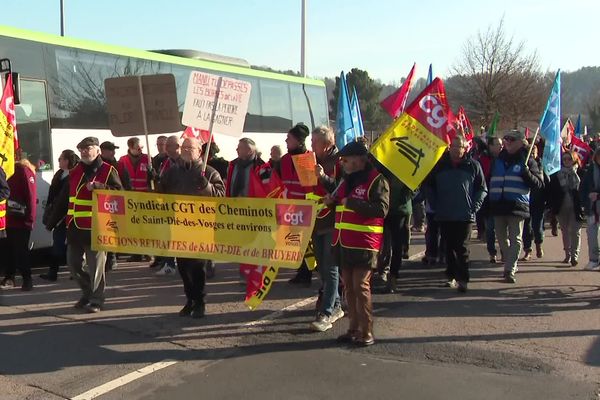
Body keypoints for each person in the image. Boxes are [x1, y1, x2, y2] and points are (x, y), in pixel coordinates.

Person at [324, 140, 389, 347]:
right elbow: (341, 206)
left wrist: (350, 203)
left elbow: (381, 209)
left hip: (364, 243)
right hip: (343, 241)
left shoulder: (376, 180)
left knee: (361, 286)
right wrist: (331, 202)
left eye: (346, 160)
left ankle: (367, 330)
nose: (342, 163)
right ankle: (353, 328)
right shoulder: (346, 180)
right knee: (349, 288)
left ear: (360, 160)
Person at [46, 137, 123, 312]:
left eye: (88, 148)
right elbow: (64, 199)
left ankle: (97, 300)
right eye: (81, 149)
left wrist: (100, 187)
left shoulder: (108, 170)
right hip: (74, 228)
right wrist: (51, 222)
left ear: (97, 150)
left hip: (97, 228)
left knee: (96, 268)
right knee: (73, 265)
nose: (84, 152)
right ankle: (88, 292)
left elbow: (120, 194)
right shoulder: (75, 171)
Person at [159, 137, 225, 318]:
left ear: (199, 151)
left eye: (191, 147)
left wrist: (206, 186)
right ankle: (189, 300)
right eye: (184, 147)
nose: (187, 150)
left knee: (197, 267)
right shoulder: (172, 172)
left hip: (200, 227)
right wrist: (155, 181)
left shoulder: (210, 172)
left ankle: (200, 302)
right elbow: (161, 194)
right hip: (179, 226)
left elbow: (220, 196)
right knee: (183, 267)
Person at [426, 135, 487, 292]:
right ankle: (451, 275)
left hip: (465, 215)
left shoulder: (473, 165)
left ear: (464, 148)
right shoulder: (439, 166)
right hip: (444, 214)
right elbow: (428, 187)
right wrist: (435, 204)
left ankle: (463, 279)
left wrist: (475, 206)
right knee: (448, 247)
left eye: (460, 147)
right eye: (454, 146)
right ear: (449, 147)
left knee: (462, 248)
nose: (457, 150)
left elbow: (482, 188)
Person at [489, 130, 543, 283]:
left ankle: (509, 269)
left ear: (520, 142)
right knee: (500, 238)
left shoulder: (528, 161)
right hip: (498, 205)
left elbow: (538, 183)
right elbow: (490, 180)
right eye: (506, 139)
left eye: (511, 140)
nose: (507, 142)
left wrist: (526, 173)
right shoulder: (498, 160)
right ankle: (509, 261)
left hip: (517, 205)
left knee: (516, 239)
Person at [308, 126, 344, 332]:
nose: (311, 145)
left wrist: (322, 177)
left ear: (327, 144)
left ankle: (327, 312)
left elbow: (340, 188)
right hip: (316, 220)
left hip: (332, 221)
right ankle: (336, 305)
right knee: (322, 268)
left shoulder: (340, 162)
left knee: (330, 268)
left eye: (315, 142)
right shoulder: (314, 160)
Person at [225, 138, 265, 282]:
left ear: (249, 150)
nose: (237, 150)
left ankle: (255, 273)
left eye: (240, 148)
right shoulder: (233, 165)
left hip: (255, 212)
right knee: (242, 243)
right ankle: (245, 272)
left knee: (255, 244)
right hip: (237, 211)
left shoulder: (262, 166)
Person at [280, 123, 314, 285]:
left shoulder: (307, 159)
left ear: (299, 141)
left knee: (306, 243)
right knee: (294, 242)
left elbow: (311, 188)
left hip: (305, 209)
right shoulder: (285, 160)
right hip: (289, 209)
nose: (286, 141)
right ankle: (301, 272)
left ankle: (307, 273)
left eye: (289, 138)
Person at [40, 150, 80, 281]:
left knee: (74, 245)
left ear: (67, 160)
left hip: (69, 214)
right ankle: (53, 272)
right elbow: (53, 194)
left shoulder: (76, 175)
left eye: (60, 159)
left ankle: (76, 271)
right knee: (57, 243)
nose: (58, 161)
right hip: (57, 213)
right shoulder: (60, 174)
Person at [0, 159, 36, 291]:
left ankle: (27, 279)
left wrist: (30, 219)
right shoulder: (4, 170)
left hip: (20, 220)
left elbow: (31, 196)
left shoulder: (23, 171)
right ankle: (9, 277)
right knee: (7, 250)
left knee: (21, 251)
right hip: (5, 219)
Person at [548, 151, 584, 266]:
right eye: (564, 159)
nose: (566, 161)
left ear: (574, 159)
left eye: (569, 159)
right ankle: (567, 255)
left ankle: (574, 255)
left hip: (576, 206)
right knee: (565, 231)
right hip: (561, 206)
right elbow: (552, 191)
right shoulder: (557, 174)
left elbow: (584, 189)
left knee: (575, 231)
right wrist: (551, 206)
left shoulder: (580, 172)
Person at [152, 135, 181, 275]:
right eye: (165, 146)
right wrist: (156, 179)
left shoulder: (182, 162)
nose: (165, 148)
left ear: (178, 147)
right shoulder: (166, 162)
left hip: (179, 206)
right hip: (167, 204)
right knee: (167, 234)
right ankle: (168, 263)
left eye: (168, 145)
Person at [520, 143, 548, 261]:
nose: (531, 154)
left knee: (537, 226)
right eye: (529, 153)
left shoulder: (541, 165)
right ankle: (527, 250)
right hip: (526, 201)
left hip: (538, 201)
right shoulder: (523, 164)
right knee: (526, 227)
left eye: (533, 152)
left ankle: (538, 244)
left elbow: (544, 183)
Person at [100, 141, 124, 270]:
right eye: (110, 150)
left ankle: (112, 256)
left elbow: (124, 183)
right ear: (102, 151)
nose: (113, 152)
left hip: (115, 202)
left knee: (113, 230)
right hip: (100, 204)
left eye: (113, 150)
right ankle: (106, 257)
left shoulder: (118, 165)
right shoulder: (98, 166)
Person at [478, 136, 503, 263]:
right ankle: (492, 253)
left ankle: (504, 252)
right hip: (488, 199)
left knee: (503, 228)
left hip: (502, 198)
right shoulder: (483, 159)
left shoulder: (505, 158)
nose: (501, 146)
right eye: (498, 144)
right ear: (490, 146)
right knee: (490, 228)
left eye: (501, 144)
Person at [581, 148, 600, 271]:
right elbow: (583, 188)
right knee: (592, 235)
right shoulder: (591, 170)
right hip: (592, 208)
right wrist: (585, 199)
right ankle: (593, 260)